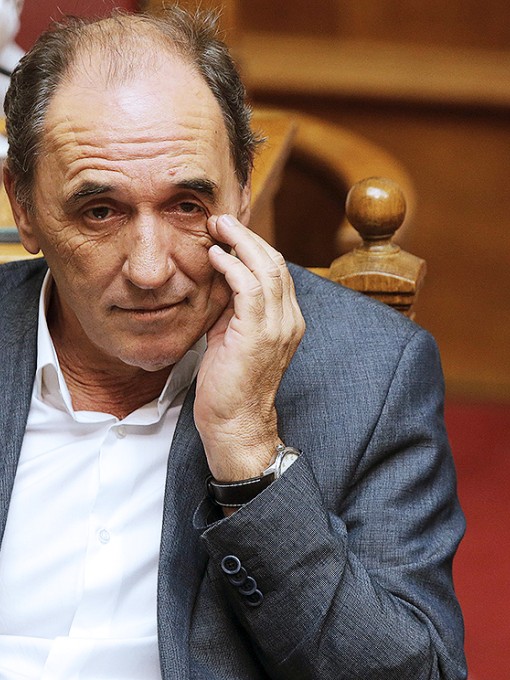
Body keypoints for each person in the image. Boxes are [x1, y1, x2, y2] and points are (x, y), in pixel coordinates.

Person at [0, 8, 466, 679]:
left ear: (245, 189)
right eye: (100, 211)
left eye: (189, 205)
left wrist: (249, 456)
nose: (151, 267)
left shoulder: (366, 373)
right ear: (23, 207)